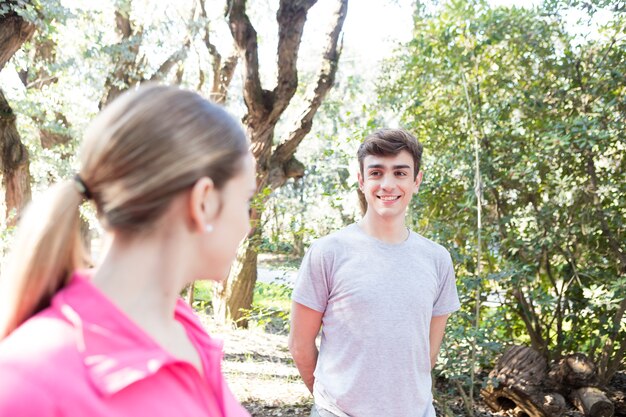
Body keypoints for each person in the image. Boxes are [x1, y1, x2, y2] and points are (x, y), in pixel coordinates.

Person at [0, 85, 255, 417]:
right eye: (246, 200)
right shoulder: (30, 382)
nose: (247, 226)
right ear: (203, 201)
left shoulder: (185, 329)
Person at [288, 128, 461, 417]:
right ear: (361, 180)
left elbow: (426, 354)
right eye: (377, 173)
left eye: (400, 173)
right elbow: (300, 345)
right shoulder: (328, 252)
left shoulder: (438, 259)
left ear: (416, 181)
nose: (388, 184)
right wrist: (331, 402)